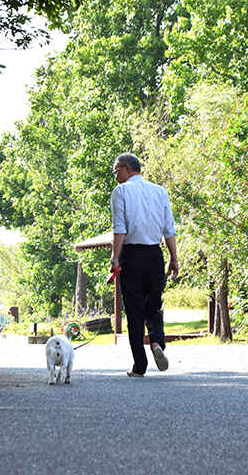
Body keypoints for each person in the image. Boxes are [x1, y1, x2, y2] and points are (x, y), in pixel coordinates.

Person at [110, 152, 179, 377]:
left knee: (134, 311)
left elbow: (120, 228)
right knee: (154, 305)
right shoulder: (160, 191)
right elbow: (169, 229)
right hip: (155, 255)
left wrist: (115, 258)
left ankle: (140, 365)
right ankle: (157, 342)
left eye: (116, 170)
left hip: (132, 255)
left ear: (127, 168)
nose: (115, 175)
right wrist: (174, 258)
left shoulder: (120, 192)